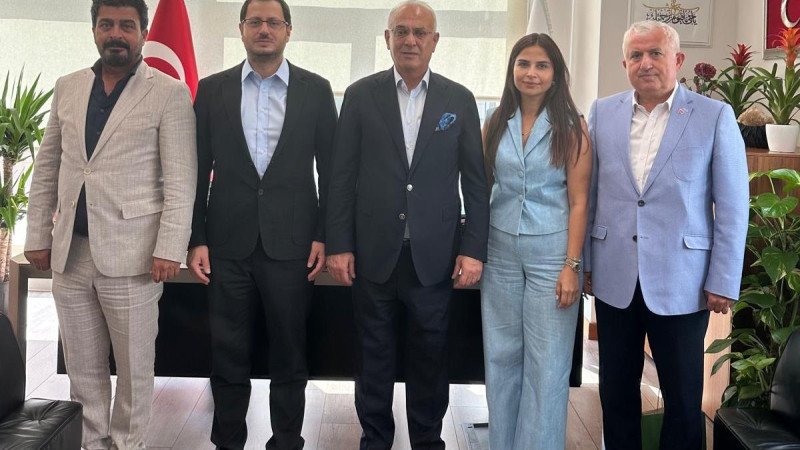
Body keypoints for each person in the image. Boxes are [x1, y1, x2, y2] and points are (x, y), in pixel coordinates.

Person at [23, 0, 197, 448]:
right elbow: (48, 168)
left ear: (143, 33)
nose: (115, 33)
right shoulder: (68, 86)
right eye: (106, 24)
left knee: (135, 371)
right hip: (70, 254)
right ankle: (92, 443)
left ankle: (128, 444)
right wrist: (38, 235)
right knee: (82, 370)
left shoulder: (169, 92)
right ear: (94, 30)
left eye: (126, 25)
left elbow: (181, 180)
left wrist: (169, 248)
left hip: (134, 255)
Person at [325, 1, 489, 448]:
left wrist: (473, 248)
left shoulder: (459, 99)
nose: (410, 40)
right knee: (372, 360)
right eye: (401, 31)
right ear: (387, 38)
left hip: (435, 257)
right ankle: (375, 440)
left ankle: (428, 441)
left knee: (431, 360)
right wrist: (339, 244)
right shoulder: (360, 95)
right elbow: (340, 177)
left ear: (435, 41)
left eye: (420, 33)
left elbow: (476, 184)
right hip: (373, 254)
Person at [584, 20, 749, 449]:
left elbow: (733, 206)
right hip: (614, 277)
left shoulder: (714, 116)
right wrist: (584, 263)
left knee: (683, 399)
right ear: (624, 63)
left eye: (655, 53)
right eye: (636, 55)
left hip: (683, 281)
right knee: (615, 393)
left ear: (678, 60)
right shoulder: (602, 113)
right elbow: (588, 194)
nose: (646, 63)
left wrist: (723, 279)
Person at [186, 0, 337, 448]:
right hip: (226, 245)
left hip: (293, 246)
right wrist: (196, 237)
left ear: (288, 30)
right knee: (227, 354)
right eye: (255, 22)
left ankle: (287, 441)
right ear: (242, 29)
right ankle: (227, 441)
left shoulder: (316, 90)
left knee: (289, 354)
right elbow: (196, 169)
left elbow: (332, 173)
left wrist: (324, 235)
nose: (264, 29)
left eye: (273, 22)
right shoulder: (211, 90)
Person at [480, 33, 591, 450]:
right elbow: (482, 188)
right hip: (499, 251)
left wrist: (572, 266)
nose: (531, 73)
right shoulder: (495, 122)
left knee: (546, 365)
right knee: (501, 358)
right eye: (523, 63)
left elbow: (579, 202)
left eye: (542, 65)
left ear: (556, 74)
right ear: (512, 69)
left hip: (552, 255)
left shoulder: (573, 128)